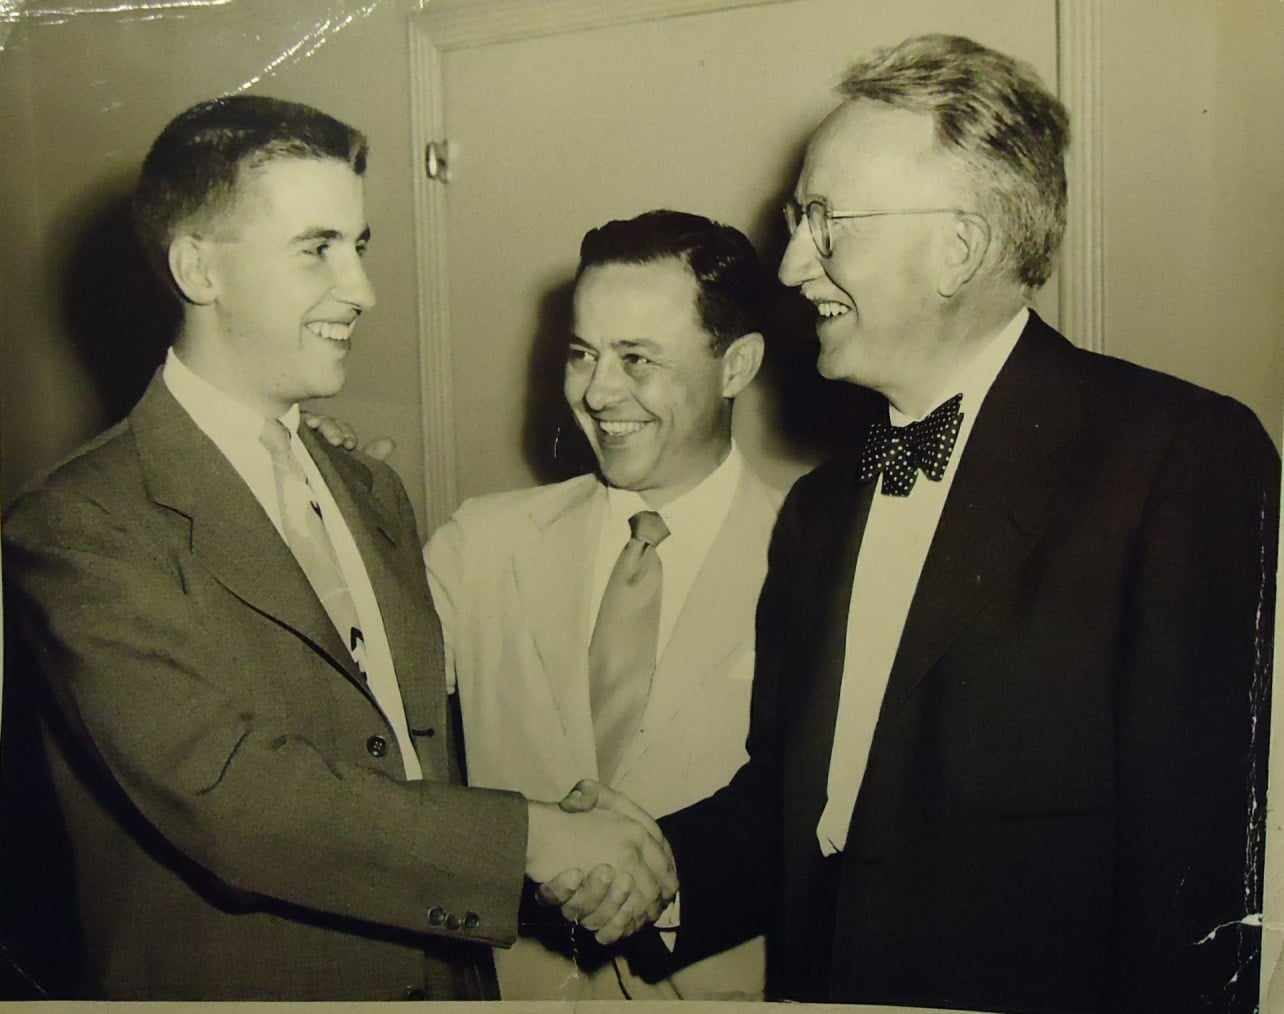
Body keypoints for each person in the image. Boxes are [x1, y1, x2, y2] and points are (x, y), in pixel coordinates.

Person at [554, 34, 1279, 1013]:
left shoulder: (1178, 459)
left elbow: (1201, 877)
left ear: (961, 246)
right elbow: (797, 805)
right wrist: (649, 867)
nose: (791, 261)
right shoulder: (819, 508)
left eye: (821, 220)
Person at [0, 95, 675, 1001]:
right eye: (316, 248)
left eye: (360, 247)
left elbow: (402, 755)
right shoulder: (80, 523)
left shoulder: (370, 489)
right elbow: (230, 797)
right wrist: (535, 839)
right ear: (200, 269)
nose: (362, 289)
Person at [421, 210, 778, 999]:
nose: (597, 391)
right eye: (582, 354)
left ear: (737, 366)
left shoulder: (817, 563)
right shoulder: (480, 545)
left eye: (637, 359)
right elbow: (343, 711)